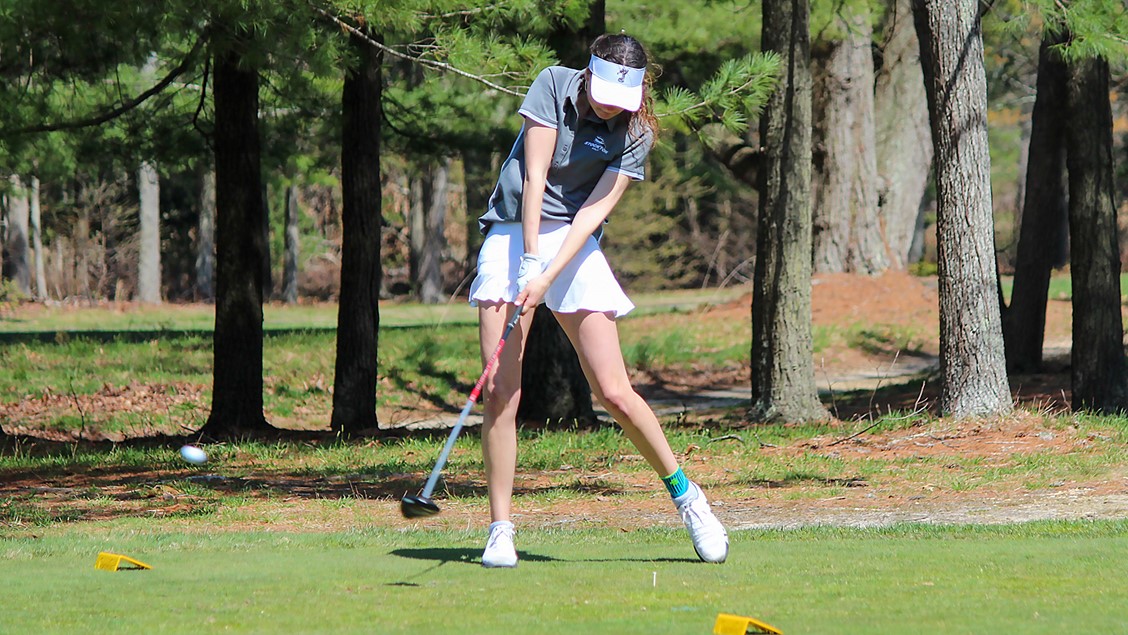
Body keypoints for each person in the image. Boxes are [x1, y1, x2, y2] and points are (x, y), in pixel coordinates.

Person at [467, 33, 729, 568]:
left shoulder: (635, 131)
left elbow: (591, 213)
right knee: (500, 389)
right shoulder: (552, 85)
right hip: (515, 228)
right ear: (589, 73)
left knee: (613, 391)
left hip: (574, 242)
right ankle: (500, 529)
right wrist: (528, 262)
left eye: (621, 96)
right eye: (605, 91)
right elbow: (535, 176)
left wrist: (547, 274)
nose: (610, 104)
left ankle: (688, 498)